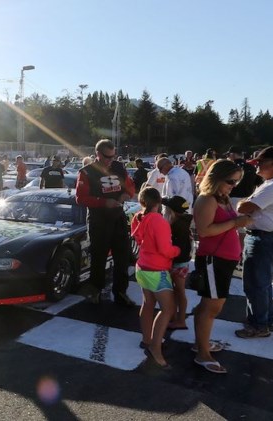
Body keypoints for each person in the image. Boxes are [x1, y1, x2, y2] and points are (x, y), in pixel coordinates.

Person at [192, 159, 253, 374]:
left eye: (236, 182)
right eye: (230, 181)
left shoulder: (222, 197)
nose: (233, 185)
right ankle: (202, 353)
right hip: (213, 260)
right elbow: (204, 230)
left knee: (208, 306)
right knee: (212, 308)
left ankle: (201, 343)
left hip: (223, 260)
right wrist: (236, 223)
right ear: (216, 178)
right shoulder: (207, 199)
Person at [234, 147, 273, 339]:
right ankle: (267, 320)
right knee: (263, 284)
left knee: (255, 285)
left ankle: (258, 325)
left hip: (263, 238)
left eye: (261, 162)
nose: (257, 166)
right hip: (270, 237)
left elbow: (243, 207)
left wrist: (242, 203)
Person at [75, 139, 137, 307]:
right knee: (98, 257)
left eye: (113, 156)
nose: (110, 160)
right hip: (98, 220)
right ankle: (95, 291)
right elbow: (80, 198)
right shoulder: (86, 172)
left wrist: (126, 195)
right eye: (107, 157)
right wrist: (103, 202)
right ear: (97, 154)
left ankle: (121, 292)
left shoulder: (119, 167)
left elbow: (130, 187)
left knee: (123, 257)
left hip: (118, 218)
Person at [130, 187, 178, 368]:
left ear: (142, 201)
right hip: (157, 270)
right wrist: (178, 250)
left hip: (142, 267)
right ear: (159, 202)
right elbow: (165, 250)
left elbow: (141, 241)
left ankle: (147, 339)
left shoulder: (138, 217)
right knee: (168, 309)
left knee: (147, 303)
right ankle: (155, 348)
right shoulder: (159, 221)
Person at [164, 196, 193, 330]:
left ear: (172, 211)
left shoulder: (176, 225)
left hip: (178, 262)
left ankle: (179, 319)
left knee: (179, 291)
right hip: (183, 262)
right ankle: (176, 317)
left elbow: (175, 247)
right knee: (178, 291)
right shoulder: (185, 220)